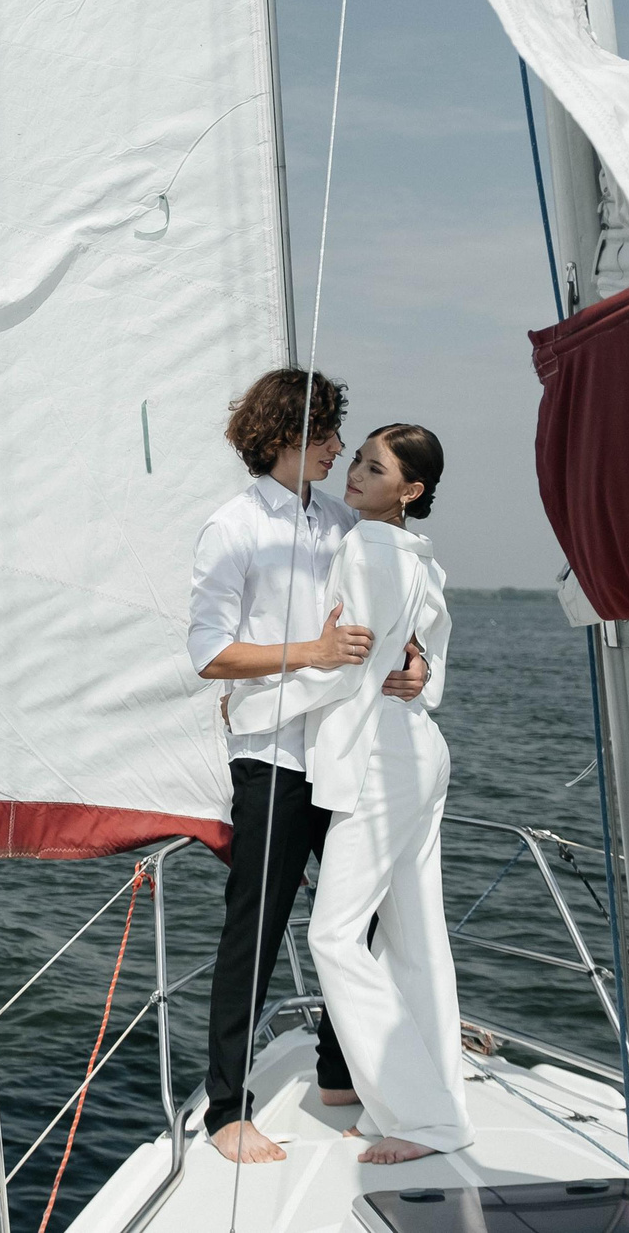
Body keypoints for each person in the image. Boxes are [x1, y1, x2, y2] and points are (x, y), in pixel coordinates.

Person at [189, 370, 427, 1165]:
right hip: (273, 754)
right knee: (254, 930)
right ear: (284, 435)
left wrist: (417, 662)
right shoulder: (232, 528)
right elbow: (210, 653)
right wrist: (315, 651)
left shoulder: (341, 521)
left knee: (360, 916)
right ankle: (227, 1110)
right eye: (326, 435)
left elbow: (391, 608)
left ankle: (335, 1069)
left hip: (343, 747)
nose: (337, 449)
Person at [275, 424, 469, 1163]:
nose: (355, 472)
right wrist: (417, 668)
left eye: (375, 468)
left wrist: (253, 699)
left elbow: (346, 664)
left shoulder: (364, 549)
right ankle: (433, 1106)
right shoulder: (420, 557)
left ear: (410, 490)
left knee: (333, 935)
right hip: (417, 746)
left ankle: (421, 1116)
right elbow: (425, 664)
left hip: (383, 757)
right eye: (356, 459)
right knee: (415, 938)